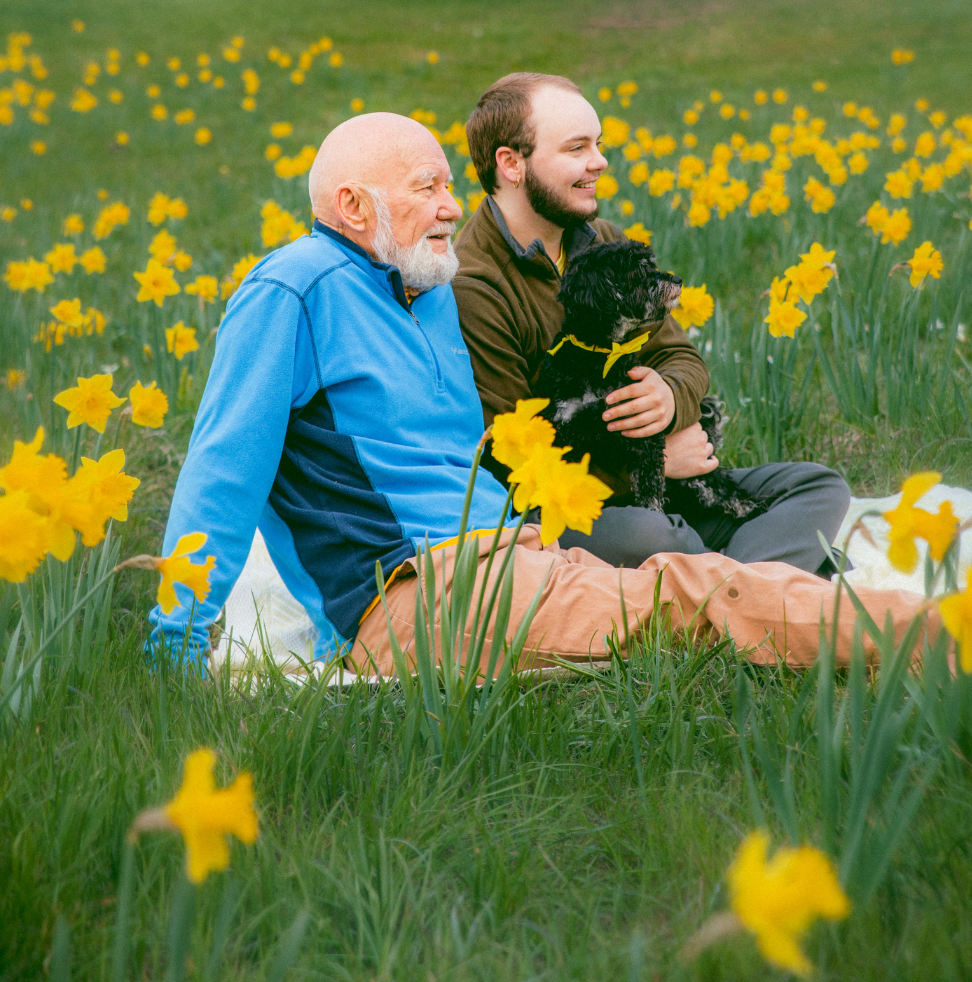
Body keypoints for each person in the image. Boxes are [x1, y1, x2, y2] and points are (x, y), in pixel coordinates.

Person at [147, 111, 941, 673]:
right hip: (414, 596)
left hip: (508, 559)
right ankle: (940, 643)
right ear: (353, 206)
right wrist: (174, 641)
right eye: (426, 188)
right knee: (689, 597)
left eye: (451, 185)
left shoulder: (421, 297)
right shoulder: (293, 290)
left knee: (690, 586)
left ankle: (901, 635)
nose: (451, 207)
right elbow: (225, 467)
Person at [453, 73, 851, 576]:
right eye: (577, 148)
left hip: (661, 482)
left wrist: (668, 394)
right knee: (655, 535)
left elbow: (680, 357)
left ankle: (732, 581)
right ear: (511, 163)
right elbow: (510, 459)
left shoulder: (600, 239)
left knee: (818, 486)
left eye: (598, 144)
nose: (599, 161)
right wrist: (649, 462)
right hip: (565, 512)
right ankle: (769, 576)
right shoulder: (476, 285)